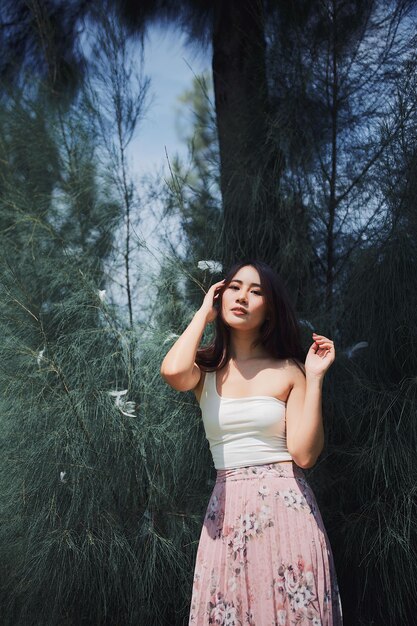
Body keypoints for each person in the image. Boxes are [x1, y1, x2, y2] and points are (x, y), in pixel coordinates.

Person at [160, 259, 343, 626]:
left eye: (256, 291)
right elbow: (173, 372)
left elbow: (305, 455)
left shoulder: (290, 371)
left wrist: (316, 377)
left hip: (287, 511)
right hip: (227, 513)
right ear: (220, 295)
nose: (242, 296)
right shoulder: (205, 372)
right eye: (235, 287)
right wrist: (202, 314)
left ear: (270, 310)